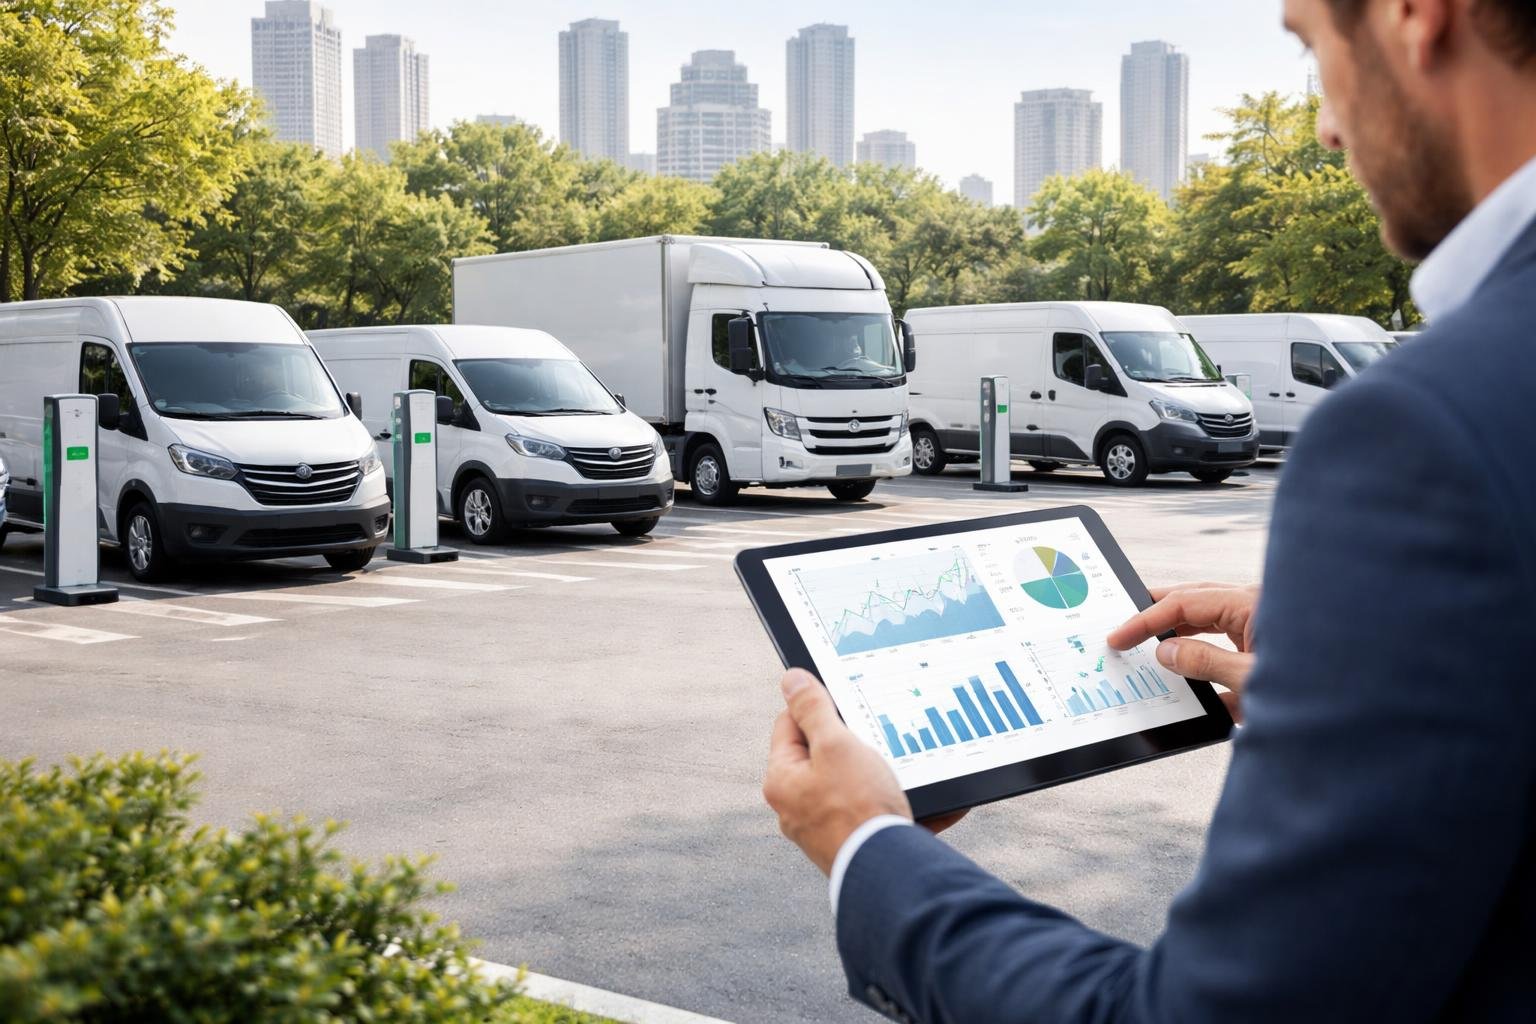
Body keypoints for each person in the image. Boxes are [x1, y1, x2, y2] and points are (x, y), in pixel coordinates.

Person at [762, 1, 1536, 1020]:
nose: (1325, 129)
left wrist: (869, 849)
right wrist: (1371, 674)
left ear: (1411, 15)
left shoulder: (1420, 430)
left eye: (1312, 50)